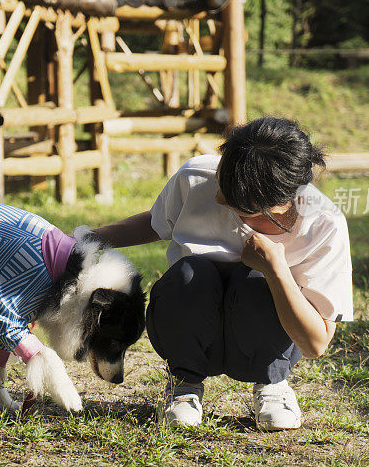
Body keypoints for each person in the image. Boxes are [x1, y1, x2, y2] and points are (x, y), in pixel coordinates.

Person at [92, 116, 353, 431]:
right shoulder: (198, 176)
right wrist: (86, 240)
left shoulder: (324, 224)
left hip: (263, 342)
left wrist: (277, 270)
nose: (217, 198)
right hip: (192, 329)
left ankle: (272, 385)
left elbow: (315, 343)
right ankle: (184, 386)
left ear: (283, 206)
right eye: (220, 183)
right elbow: (157, 221)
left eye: (235, 205)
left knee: (257, 281)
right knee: (190, 273)